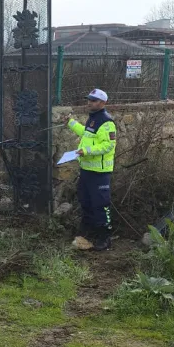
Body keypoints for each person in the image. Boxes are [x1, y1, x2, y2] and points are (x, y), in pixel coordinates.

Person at [63, 89, 117, 251]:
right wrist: (70, 123)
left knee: (101, 205)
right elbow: (86, 134)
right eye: (89, 100)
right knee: (85, 201)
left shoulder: (107, 122)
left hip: (100, 173)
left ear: (102, 103)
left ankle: (104, 237)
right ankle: (87, 230)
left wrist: (85, 151)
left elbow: (108, 146)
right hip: (86, 169)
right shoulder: (93, 119)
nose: (89, 103)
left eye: (93, 100)